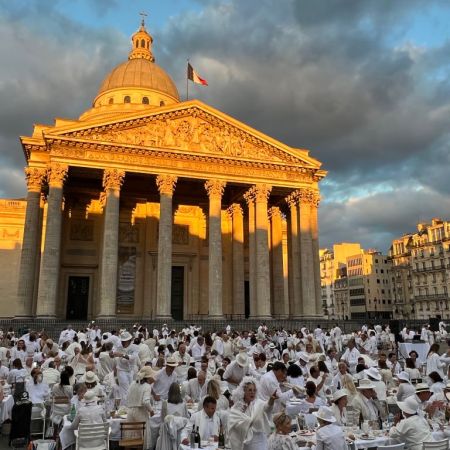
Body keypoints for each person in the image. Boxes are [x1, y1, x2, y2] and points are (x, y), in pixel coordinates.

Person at [228, 377, 276, 450]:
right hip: (245, 442)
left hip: (260, 440)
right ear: (244, 392)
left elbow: (267, 408)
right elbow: (234, 423)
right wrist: (245, 418)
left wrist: (271, 400)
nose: (252, 392)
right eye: (250, 390)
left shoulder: (258, 403)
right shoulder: (237, 406)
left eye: (254, 390)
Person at [127, 366, 156, 449]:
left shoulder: (133, 383)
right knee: (144, 437)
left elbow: (127, 396)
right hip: (140, 412)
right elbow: (146, 401)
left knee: (132, 437)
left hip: (130, 412)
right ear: (148, 377)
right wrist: (151, 411)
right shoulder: (147, 386)